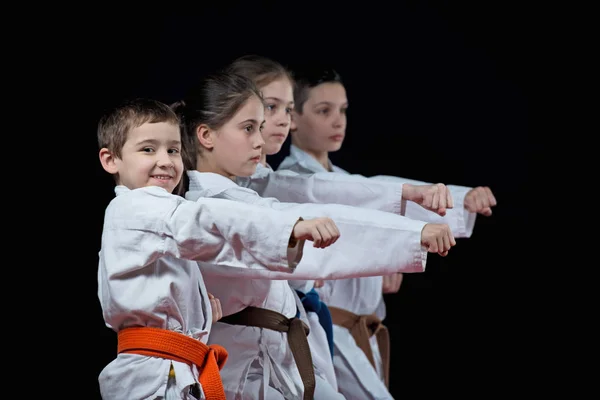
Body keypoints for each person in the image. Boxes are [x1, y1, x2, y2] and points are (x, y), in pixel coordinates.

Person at [174, 69, 456, 399]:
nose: (261, 141)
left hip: (274, 362)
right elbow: (293, 217)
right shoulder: (206, 207)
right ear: (206, 135)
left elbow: (321, 193)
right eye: (249, 128)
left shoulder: (240, 194)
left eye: (260, 128)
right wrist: (412, 234)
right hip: (244, 371)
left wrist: (410, 219)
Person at [277, 65, 498, 399]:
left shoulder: (342, 176)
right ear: (292, 117)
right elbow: (358, 200)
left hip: (359, 330)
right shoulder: (291, 180)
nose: (339, 121)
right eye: (324, 111)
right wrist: (406, 239)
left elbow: (366, 197)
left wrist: (391, 257)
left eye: (343, 110)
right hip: (327, 330)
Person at [96, 98, 336, 400]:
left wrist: (200, 313)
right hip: (154, 376)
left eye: (173, 149)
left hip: (171, 370)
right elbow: (204, 222)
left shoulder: (156, 213)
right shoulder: (133, 207)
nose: (166, 160)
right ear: (110, 160)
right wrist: (288, 228)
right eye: (148, 149)